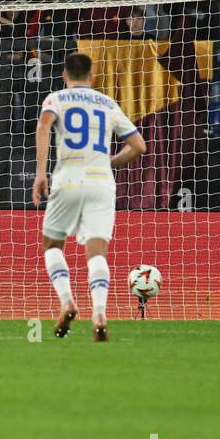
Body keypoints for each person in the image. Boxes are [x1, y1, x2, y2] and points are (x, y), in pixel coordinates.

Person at [33, 52, 148, 342]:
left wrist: (40, 173)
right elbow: (138, 146)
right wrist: (109, 163)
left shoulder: (56, 98)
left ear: (64, 75)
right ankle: (99, 312)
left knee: (52, 245)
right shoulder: (107, 103)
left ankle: (67, 301)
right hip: (100, 183)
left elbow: (44, 125)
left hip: (68, 178)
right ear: (91, 76)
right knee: (96, 253)